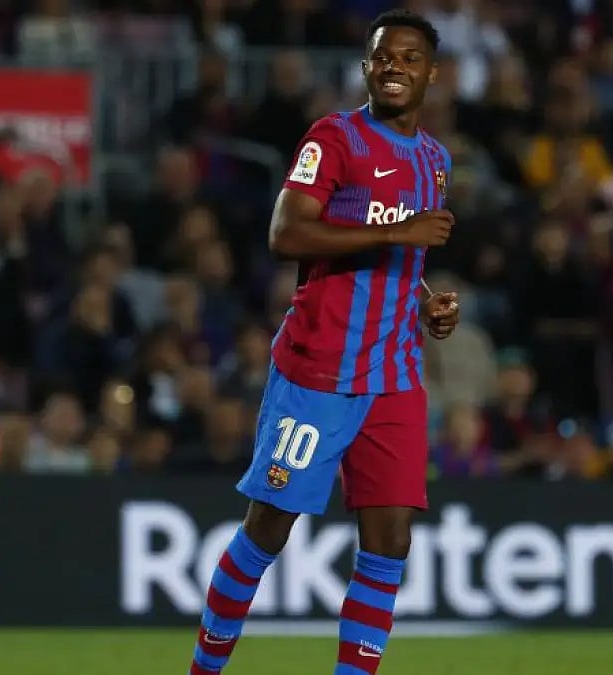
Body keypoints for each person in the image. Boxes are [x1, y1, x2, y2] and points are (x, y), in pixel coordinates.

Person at [188, 10, 459, 675]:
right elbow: (286, 233)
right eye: (382, 56)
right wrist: (398, 236)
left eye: (409, 58)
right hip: (318, 371)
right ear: (366, 67)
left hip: (393, 374)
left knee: (389, 541)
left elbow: (401, 259)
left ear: (432, 73)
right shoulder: (334, 139)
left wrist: (429, 305)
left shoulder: (435, 160)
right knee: (268, 530)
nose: (394, 66)